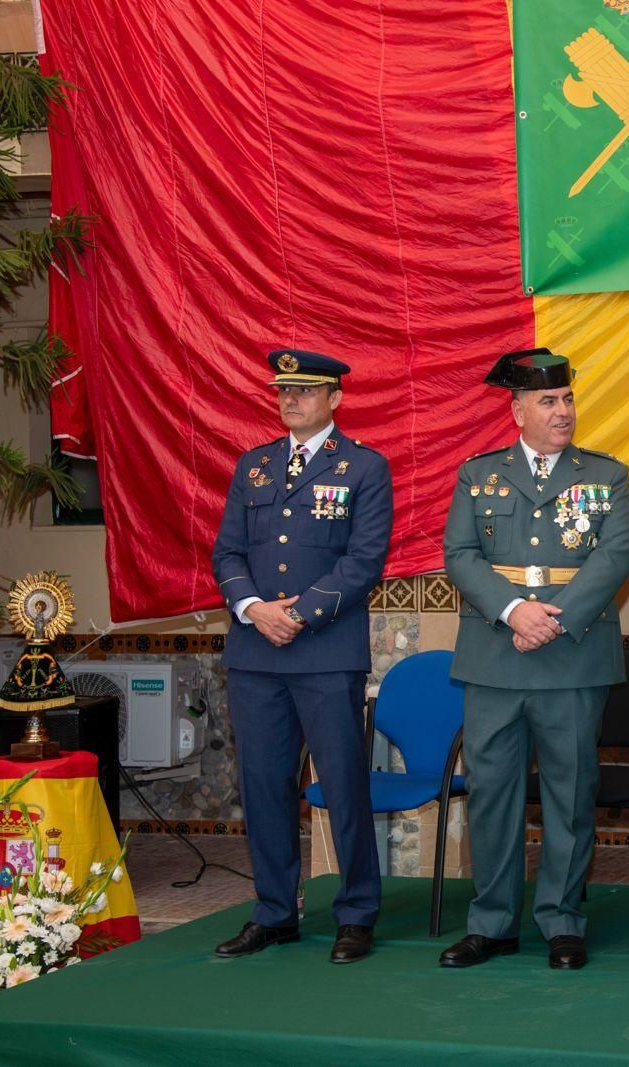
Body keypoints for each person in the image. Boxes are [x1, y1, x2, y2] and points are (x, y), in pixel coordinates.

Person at [440, 347, 629, 971]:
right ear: (518, 409)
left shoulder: (606, 475)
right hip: (494, 657)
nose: (563, 411)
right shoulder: (478, 475)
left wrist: (551, 620)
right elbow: (459, 554)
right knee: (491, 795)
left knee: (570, 795)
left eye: (568, 398)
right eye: (548, 401)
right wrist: (513, 612)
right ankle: (492, 923)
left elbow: (614, 557)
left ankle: (562, 921)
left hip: (571, 656)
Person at [211, 348, 392, 964]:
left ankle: (357, 913)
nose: (291, 399)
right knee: (263, 786)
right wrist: (254, 608)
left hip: (326, 652)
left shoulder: (364, 467)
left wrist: (298, 614)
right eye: (284, 390)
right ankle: (274, 912)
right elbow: (227, 553)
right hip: (255, 655)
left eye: (306, 390)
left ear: (335, 398)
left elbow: (364, 561)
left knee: (343, 785)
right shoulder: (254, 466)